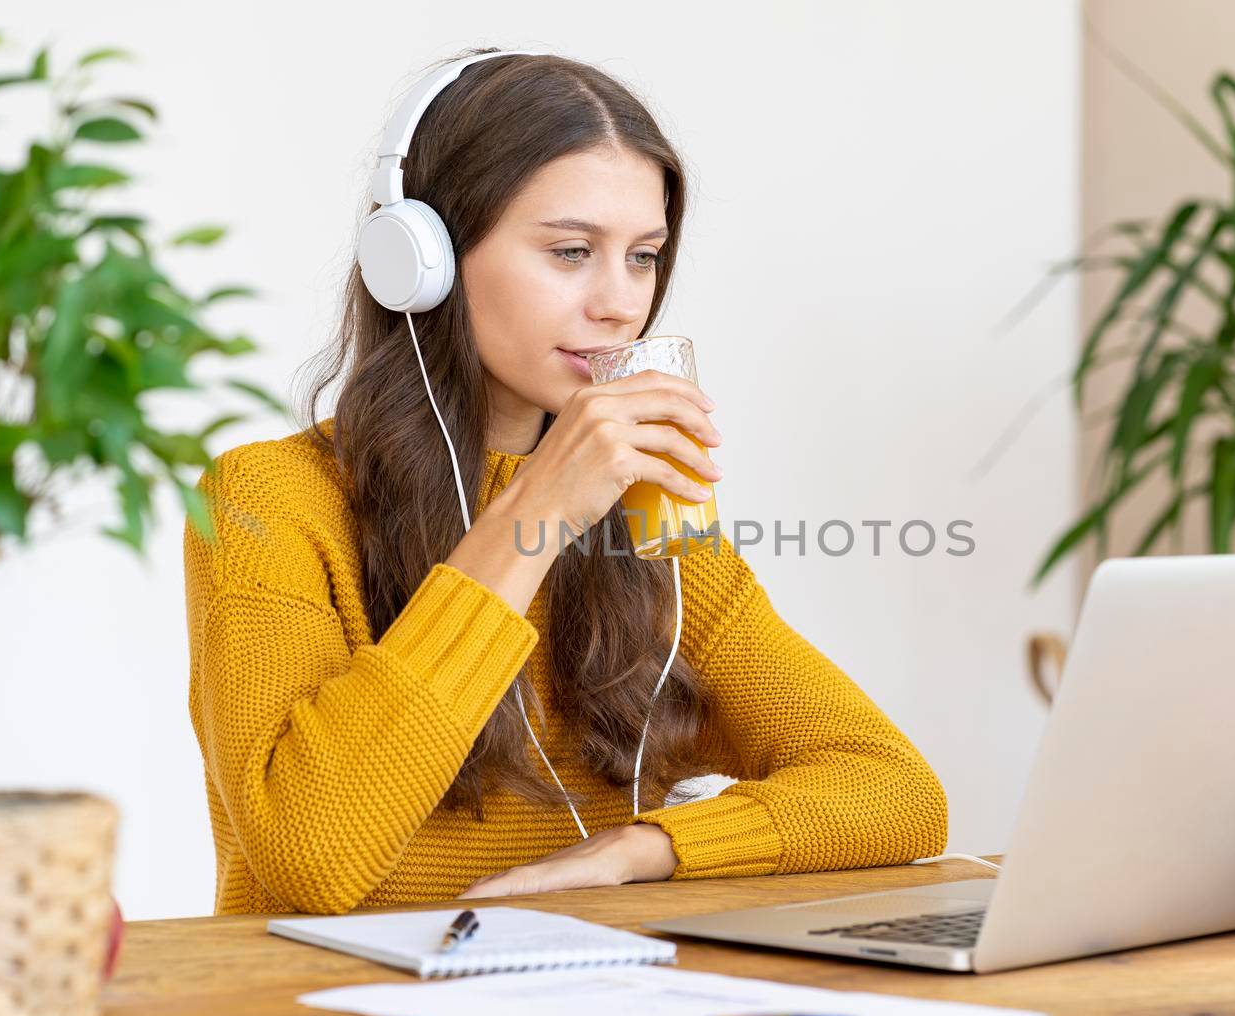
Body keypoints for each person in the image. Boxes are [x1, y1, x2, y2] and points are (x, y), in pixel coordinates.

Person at [182, 47, 947, 916]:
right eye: (573, 251)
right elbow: (311, 856)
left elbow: (896, 790)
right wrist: (538, 510)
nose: (621, 302)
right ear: (423, 258)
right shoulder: (265, 500)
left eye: (644, 256)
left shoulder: (650, 520)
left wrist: (649, 847)